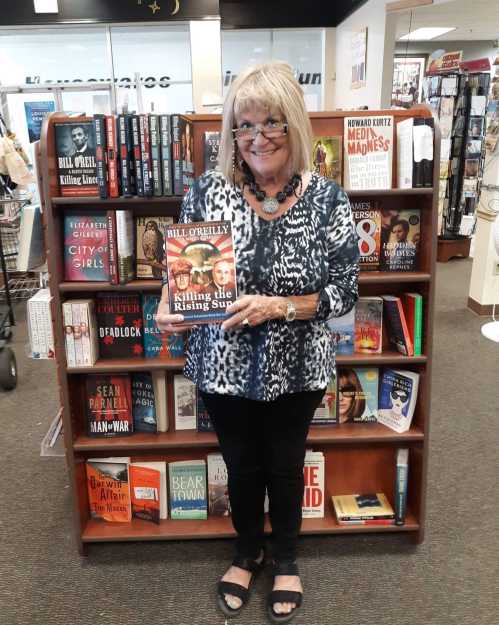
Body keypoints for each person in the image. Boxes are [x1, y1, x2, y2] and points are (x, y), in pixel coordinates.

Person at [155, 61, 359, 623]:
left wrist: (280, 307)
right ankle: (247, 552)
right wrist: (168, 304)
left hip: (299, 365)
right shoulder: (206, 193)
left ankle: (286, 557)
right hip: (222, 367)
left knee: (286, 465)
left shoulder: (327, 200)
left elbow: (344, 293)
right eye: (245, 125)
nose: (258, 137)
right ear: (231, 131)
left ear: (294, 124)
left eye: (271, 122)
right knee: (241, 465)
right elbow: (177, 275)